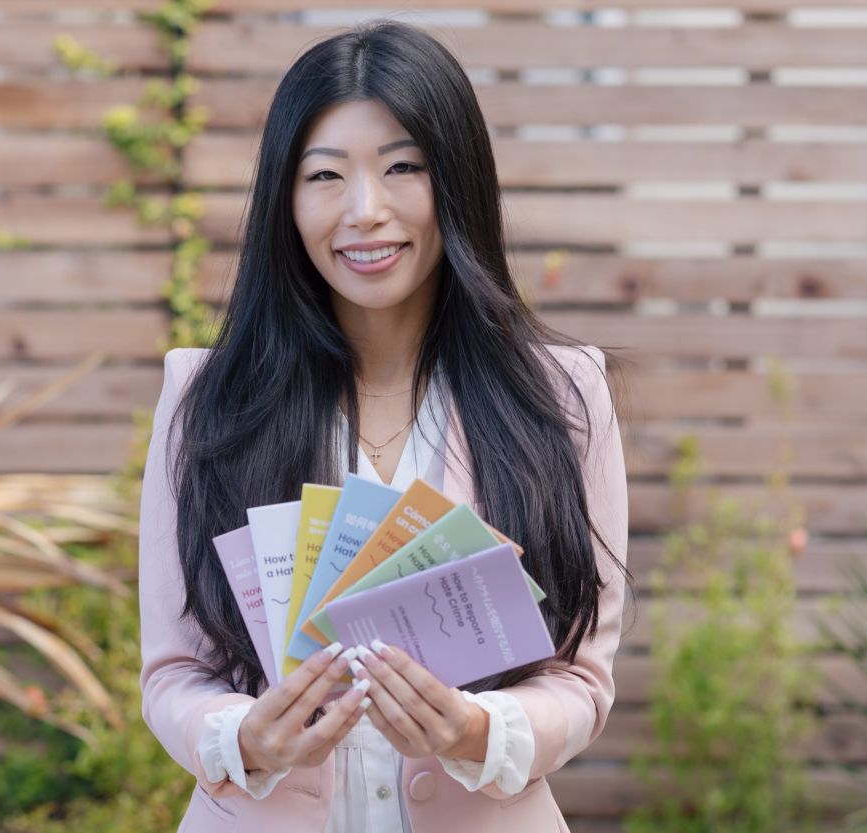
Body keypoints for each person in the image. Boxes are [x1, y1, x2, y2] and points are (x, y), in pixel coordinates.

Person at [138, 19, 631, 833]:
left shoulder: (562, 395)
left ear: (458, 182)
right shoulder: (207, 396)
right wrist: (244, 740)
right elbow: (173, 672)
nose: (365, 211)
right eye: (324, 175)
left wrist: (480, 732)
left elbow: (581, 678)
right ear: (285, 201)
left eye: (404, 166)